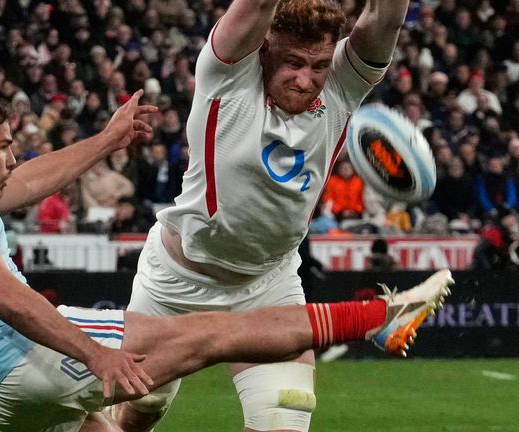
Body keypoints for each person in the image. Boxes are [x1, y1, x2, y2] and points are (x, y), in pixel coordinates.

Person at [0, 88, 454, 432]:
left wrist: (106, 141)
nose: (14, 156)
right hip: (30, 363)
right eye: (4, 145)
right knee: (216, 332)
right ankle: (380, 318)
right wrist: (96, 356)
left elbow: (20, 184)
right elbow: (1, 294)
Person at [118, 0, 415, 431]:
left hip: (268, 284)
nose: (305, 79)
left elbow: (386, 16)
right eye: (293, 62)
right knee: (138, 413)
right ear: (264, 49)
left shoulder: (342, 84)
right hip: (176, 284)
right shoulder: (228, 73)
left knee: (286, 415)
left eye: (317, 65)